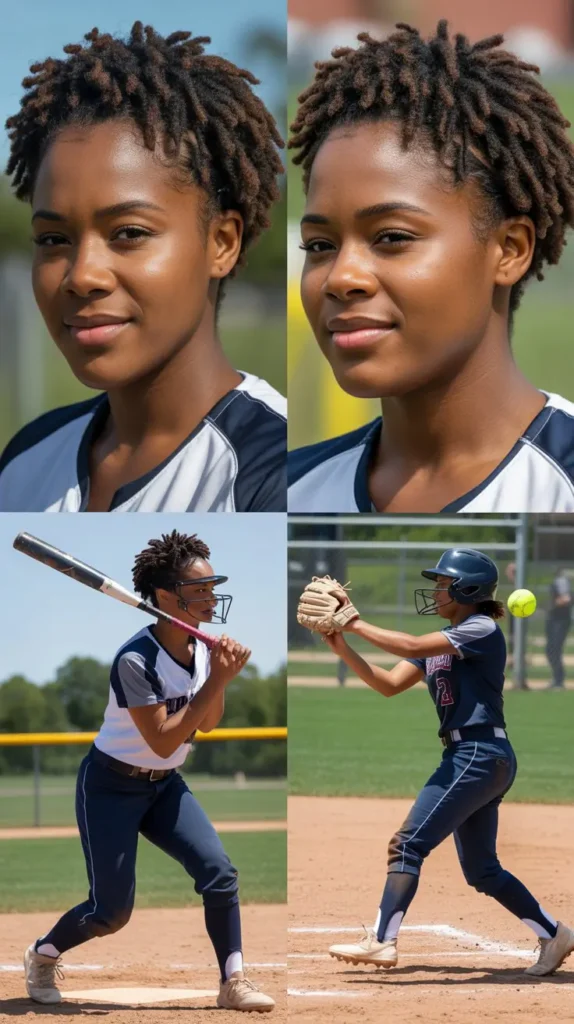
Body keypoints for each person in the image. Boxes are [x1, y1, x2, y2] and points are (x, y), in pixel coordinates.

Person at [287, 21, 574, 513]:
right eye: (319, 245)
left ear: (510, 249)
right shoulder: (289, 487)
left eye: (392, 238)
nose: (341, 277)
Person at [0, 23, 286, 512]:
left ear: (221, 243)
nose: (82, 275)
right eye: (53, 239)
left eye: (128, 233)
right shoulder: (26, 459)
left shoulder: (273, 471)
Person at [23, 530, 275, 1012]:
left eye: (212, 586)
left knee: (220, 873)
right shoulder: (135, 659)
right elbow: (162, 739)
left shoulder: (201, 649)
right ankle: (43, 953)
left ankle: (233, 980)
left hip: (166, 788)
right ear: (165, 596)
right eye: (198, 588)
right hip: (110, 787)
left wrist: (215, 674)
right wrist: (220, 677)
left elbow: (211, 722)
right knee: (111, 912)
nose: (210, 596)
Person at [321, 548, 574, 976]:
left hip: (477, 753)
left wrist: (355, 621)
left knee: (408, 844)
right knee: (482, 871)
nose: (436, 589)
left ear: (467, 589)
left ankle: (382, 940)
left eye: (443, 583)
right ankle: (555, 934)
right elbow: (388, 684)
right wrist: (341, 645)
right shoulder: (442, 639)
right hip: (473, 756)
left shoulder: (480, 628)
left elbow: (412, 643)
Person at [545, 567, 572, 689]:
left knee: (554, 649)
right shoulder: (558, 581)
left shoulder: (562, 581)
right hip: (553, 619)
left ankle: (559, 680)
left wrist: (556, 603)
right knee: (550, 649)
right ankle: (557, 679)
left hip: (560, 620)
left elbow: (566, 599)